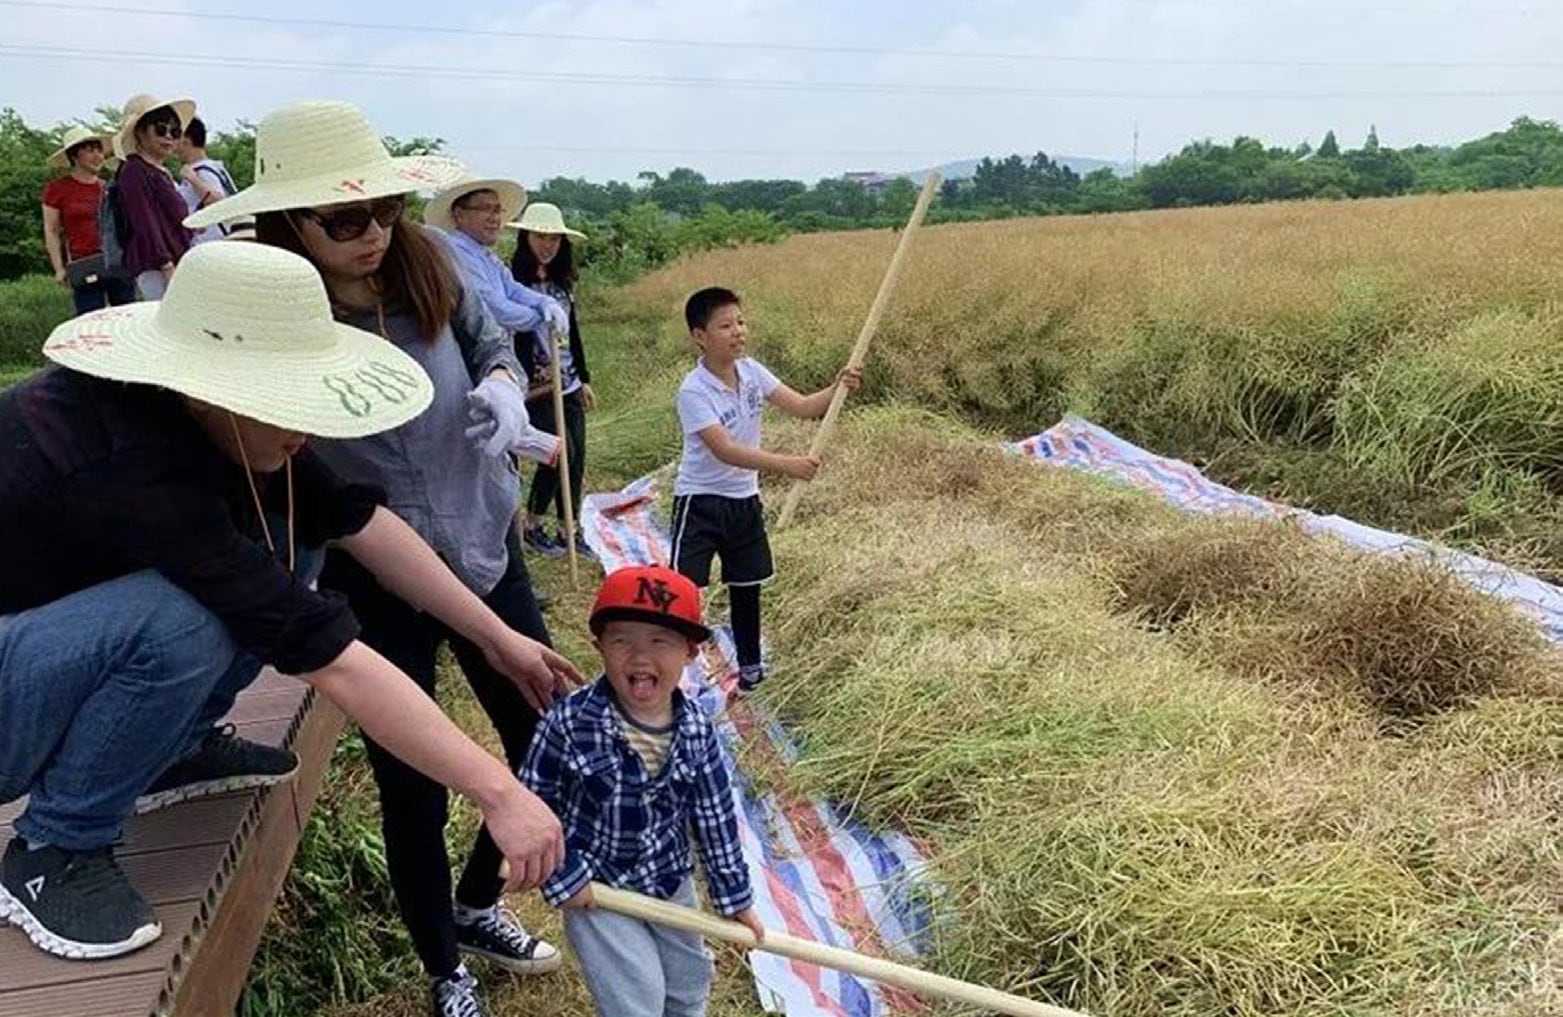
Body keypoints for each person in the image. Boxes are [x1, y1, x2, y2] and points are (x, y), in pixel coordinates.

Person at [0, 242, 573, 967]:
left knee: (294, 539)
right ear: (215, 382)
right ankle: (56, 843)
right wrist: (497, 790)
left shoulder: (220, 411)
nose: (306, 424)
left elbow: (357, 520)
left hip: (45, 640)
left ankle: (170, 746)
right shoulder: (128, 454)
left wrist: (496, 637)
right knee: (188, 616)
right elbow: (324, 655)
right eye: (289, 399)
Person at [188, 101, 566, 1017]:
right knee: (412, 784)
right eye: (344, 220)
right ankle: (444, 966)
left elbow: (488, 338)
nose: (373, 234)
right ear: (287, 223)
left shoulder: (427, 263)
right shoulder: (270, 310)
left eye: (387, 209)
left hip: (479, 537)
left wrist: (504, 386)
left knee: (544, 742)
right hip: (372, 563)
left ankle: (477, 906)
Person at [521, 564, 766, 1017]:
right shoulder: (569, 724)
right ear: (599, 647)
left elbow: (714, 819)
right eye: (622, 640)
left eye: (660, 641)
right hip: (598, 889)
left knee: (689, 985)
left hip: (668, 880)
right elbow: (531, 809)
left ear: (690, 652)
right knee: (638, 1000)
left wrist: (736, 900)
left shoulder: (695, 732)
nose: (639, 656)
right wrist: (562, 876)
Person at [671, 287, 861, 695]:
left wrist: (838, 387)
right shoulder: (693, 390)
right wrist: (787, 466)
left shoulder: (752, 372)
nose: (738, 331)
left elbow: (806, 406)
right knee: (686, 588)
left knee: (746, 585)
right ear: (700, 336)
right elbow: (725, 450)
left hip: (743, 501)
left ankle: (751, 667)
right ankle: (673, 668)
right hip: (700, 500)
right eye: (726, 325)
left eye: (740, 322)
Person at [424, 179, 575, 559]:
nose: (495, 217)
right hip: (475, 373)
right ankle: (489, 559)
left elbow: (512, 291)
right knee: (488, 470)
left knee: (504, 470)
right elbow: (494, 306)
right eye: (485, 209)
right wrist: (538, 316)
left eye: (498, 210)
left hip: (499, 369)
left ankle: (505, 558)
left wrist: (542, 306)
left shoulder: (486, 256)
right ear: (458, 215)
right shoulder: (456, 255)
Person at [510, 202, 596, 560]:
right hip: (538, 388)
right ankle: (532, 524)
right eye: (540, 237)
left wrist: (586, 378)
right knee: (557, 454)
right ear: (526, 237)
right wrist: (529, 372)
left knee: (577, 459)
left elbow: (571, 332)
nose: (547, 245)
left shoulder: (563, 283)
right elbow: (512, 335)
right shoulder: (513, 282)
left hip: (570, 383)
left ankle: (569, 530)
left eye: (554, 239)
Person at [40, 125, 136, 314]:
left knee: (126, 316)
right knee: (90, 321)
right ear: (74, 156)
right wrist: (59, 268)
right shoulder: (57, 189)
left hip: (117, 260)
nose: (98, 156)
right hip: (84, 264)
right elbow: (51, 230)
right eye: (89, 150)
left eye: (99, 150)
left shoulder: (109, 187)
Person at [113, 93, 196, 299]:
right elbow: (144, 221)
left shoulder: (159, 171)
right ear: (140, 132)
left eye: (175, 131)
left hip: (179, 259)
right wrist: (166, 266)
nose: (168, 136)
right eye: (160, 129)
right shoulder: (134, 170)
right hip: (158, 267)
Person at [175, 116, 240, 245]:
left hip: (212, 243)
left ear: (185, 141)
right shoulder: (216, 168)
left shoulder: (201, 171)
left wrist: (193, 180)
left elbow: (217, 200)